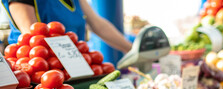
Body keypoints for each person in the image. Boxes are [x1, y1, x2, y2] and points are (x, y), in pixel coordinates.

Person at [1, 0, 132, 53]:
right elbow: (33, 36)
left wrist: (132, 50)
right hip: (40, 75)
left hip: (74, 68)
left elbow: (98, 24)